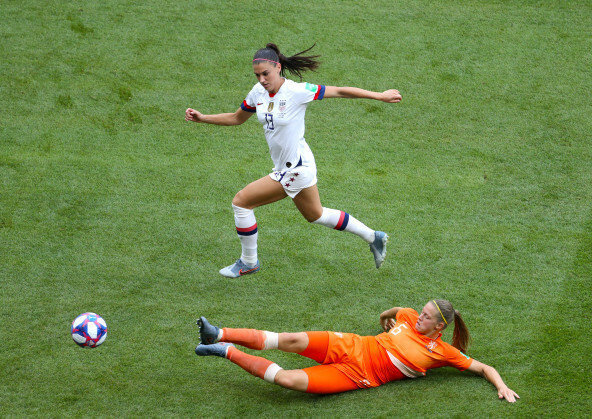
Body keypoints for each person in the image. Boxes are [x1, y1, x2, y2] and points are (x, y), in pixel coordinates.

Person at [185, 43, 402, 277]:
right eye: (257, 75)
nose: (261, 79)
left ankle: (249, 262)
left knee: (241, 202)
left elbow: (339, 91)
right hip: (293, 166)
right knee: (315, 215)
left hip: (295, 169)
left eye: (265, 74)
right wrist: (203, 118)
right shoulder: (257, 92)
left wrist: (379, 96)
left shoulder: (298, 91)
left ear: (277, 68)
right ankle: (373, 237)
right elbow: (237, 118)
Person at [194, 299, 520, 401]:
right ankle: (218, 332)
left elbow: (482, 367)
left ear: (439, 327)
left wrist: (501, 385)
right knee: (288, 339)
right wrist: (385, 321)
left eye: (426, 317)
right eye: (421, 312)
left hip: (358, 374)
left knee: (289, 381)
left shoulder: (443, 352)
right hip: (352, 344)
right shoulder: (408, 317)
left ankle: (226, 350)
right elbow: (392, 313)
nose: (418, 317)